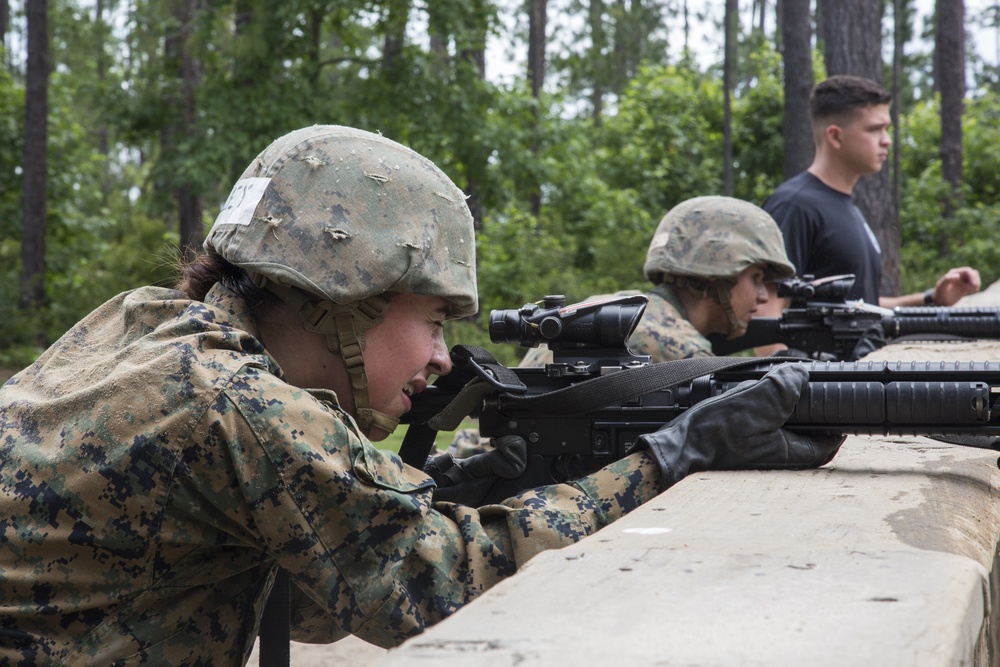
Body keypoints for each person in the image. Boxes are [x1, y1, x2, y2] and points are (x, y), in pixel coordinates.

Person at [0, 126, 842, 665]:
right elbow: (440, 583)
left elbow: (319, 583)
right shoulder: (235, 404)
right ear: (349, 293)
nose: (442, 357)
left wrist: (475, 480)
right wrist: (675, 452)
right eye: (435, 318)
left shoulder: (147, 326)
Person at [755, 75, 980, 354]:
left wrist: (931, 300)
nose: (886, 141)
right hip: (823, 394)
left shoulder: (844, 206)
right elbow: (765, 318)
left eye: (887, 129)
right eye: (875, 129)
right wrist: (797, 393)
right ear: (835, 136)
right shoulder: (795, 205)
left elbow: (859, 307)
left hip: (854, 390)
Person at [519, 195, 796, 367]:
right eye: (756, 278)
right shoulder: (679, 350)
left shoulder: (622, 307)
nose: (762, 295)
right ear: (717, 275)